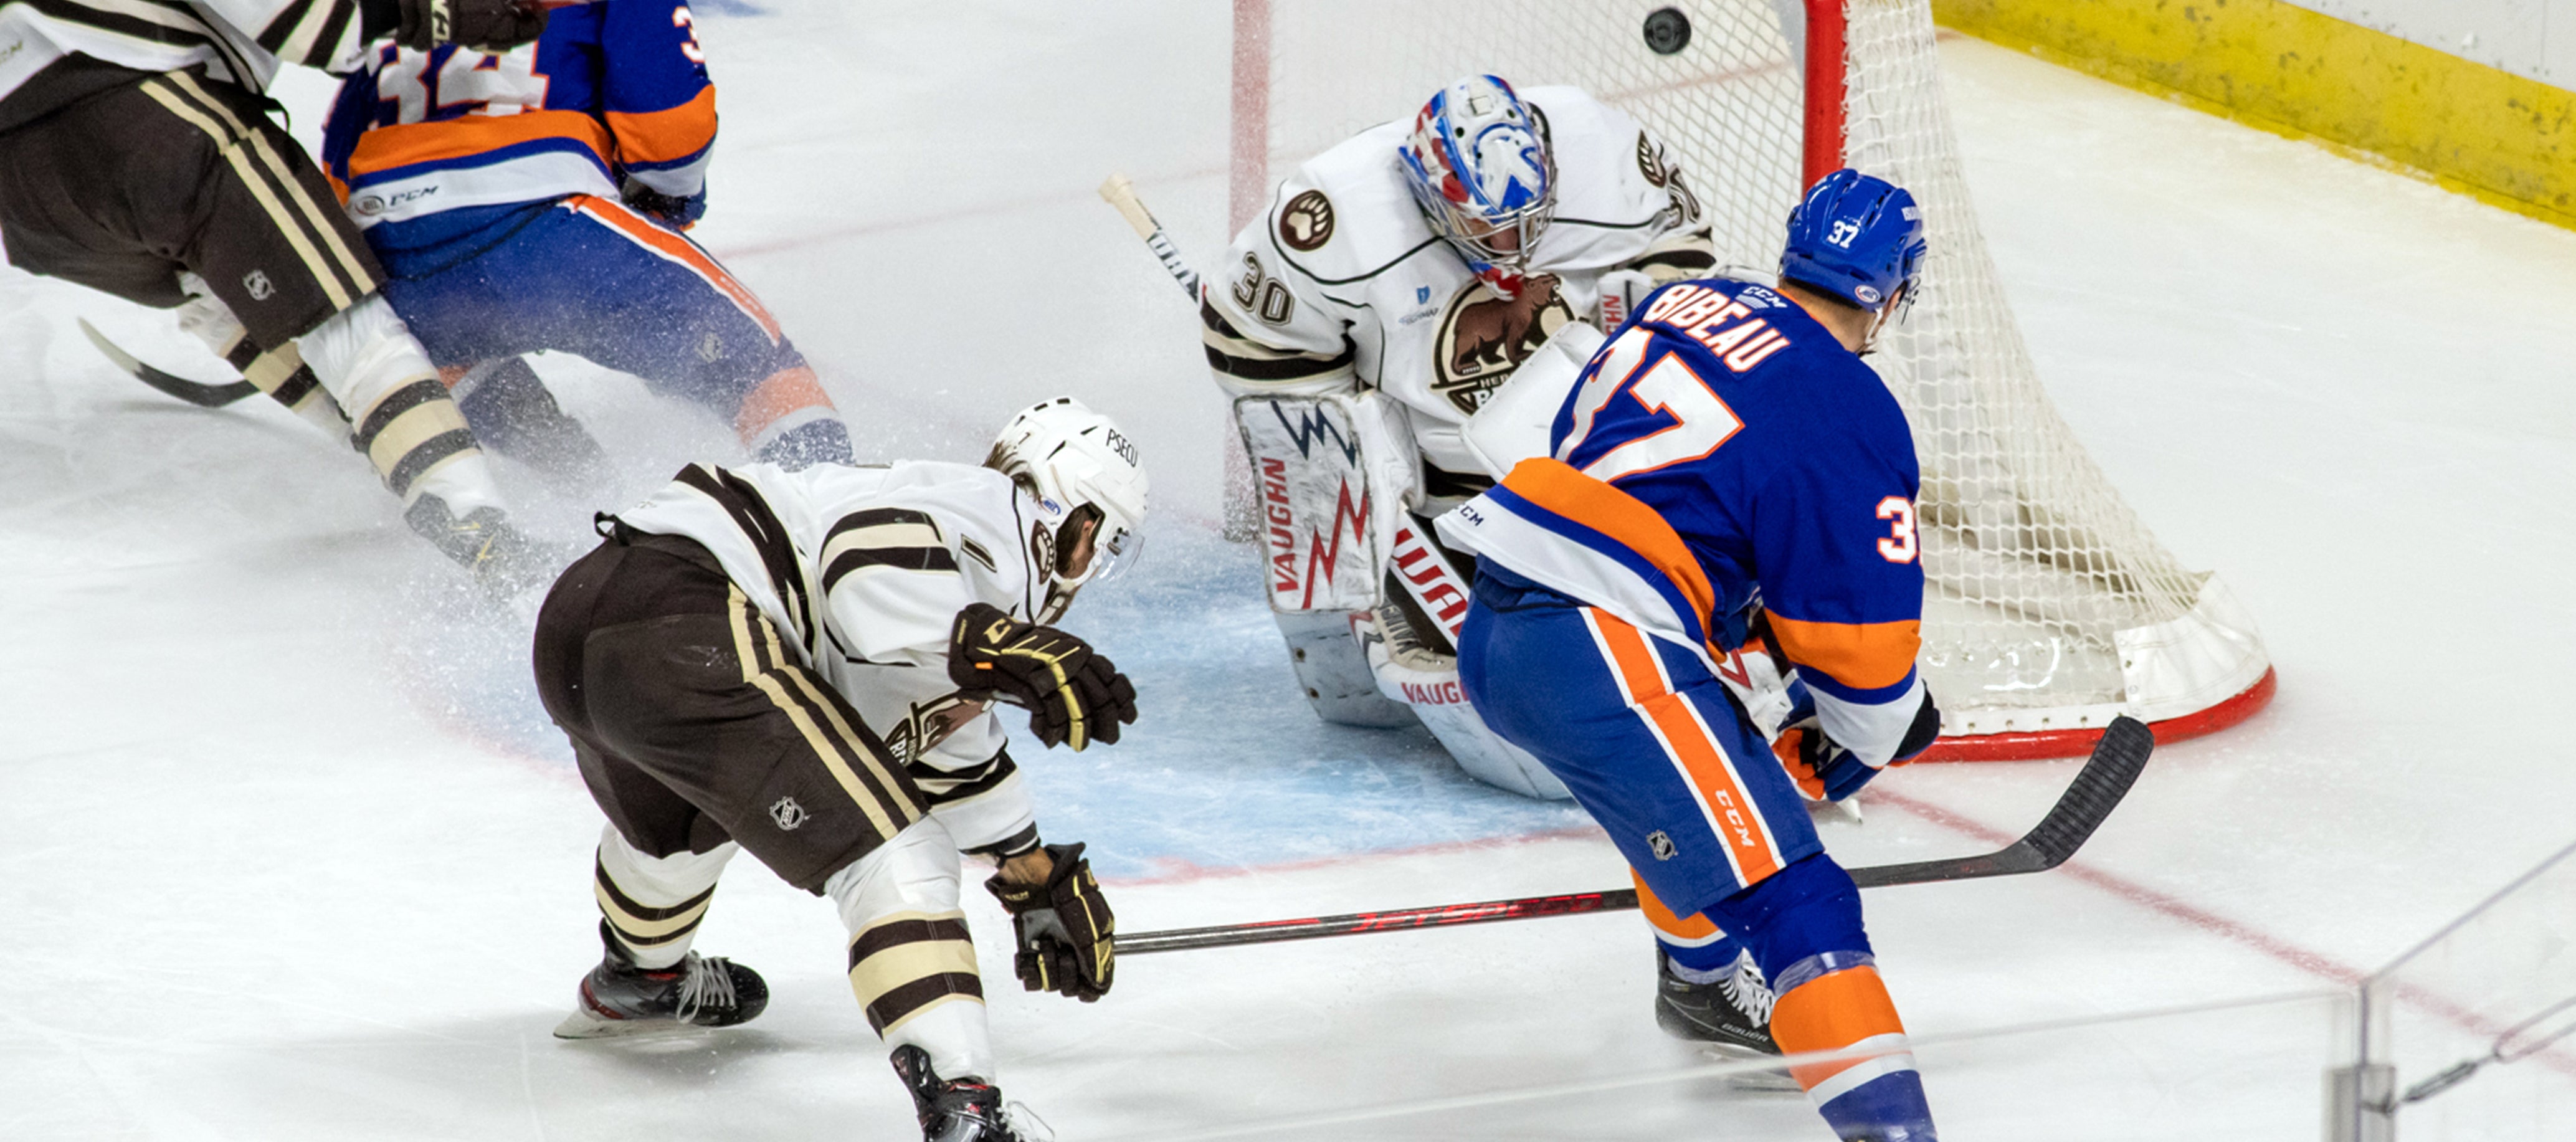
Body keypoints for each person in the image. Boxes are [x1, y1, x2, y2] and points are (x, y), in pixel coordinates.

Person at [1445, 170, 1943, 1142]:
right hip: (1596, 641)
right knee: (1801, 901)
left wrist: (1749, 638)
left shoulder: (1687, 299)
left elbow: (1619, 465)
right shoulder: (1849, 406)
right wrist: (1866, 736)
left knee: (1700, 785)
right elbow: (1865, 656)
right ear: (1891, 293)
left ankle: (1703, 984)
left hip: (1502, 620)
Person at [530, 397, 1146, 1142]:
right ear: (1080, 527)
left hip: (589, 623)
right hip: (693, 615)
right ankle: (966, 1110)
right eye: (1101, 547)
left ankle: (639, 977)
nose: (1086, 573)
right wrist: (989, 641)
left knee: (693, 823)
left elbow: (938, 743)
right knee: (899, 854)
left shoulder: (957, 550)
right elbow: (858, 568)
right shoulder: (999, 521)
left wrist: (1031, 872)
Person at [1201, 73, 1718, 798]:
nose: (1509, 247)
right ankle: (1343, 635)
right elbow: (1245, 335)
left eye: (1525, 221)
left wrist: (1633, 351)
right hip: (1438, 488)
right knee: (1317, 465)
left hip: (1578, 478)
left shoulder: (1605, 153)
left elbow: (1686, 263)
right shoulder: (1332, 217)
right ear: (1424, 190)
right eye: (1484, 227)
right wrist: (1353, 458)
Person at [0, 0, 555, 579]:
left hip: (27, 201)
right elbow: (309, 21)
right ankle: (475, 518)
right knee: (338, 316)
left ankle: (422, 458)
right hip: (136, 109)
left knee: (217, 294)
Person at [315, 0, 855, 489]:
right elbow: (670, 134)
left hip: (391, 251)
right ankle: (843, 526)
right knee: (758, 370)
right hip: (549, 228)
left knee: (448, 360)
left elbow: (337, 159)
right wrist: (668, 202)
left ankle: (585, 493)